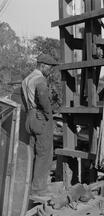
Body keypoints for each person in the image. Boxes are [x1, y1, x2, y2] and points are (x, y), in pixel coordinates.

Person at [22, 54, 60, 199]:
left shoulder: (26, 79)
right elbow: (43, 99)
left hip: (29, 118)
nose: (50, 71)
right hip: (40, 118)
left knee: (32, 153)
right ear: (42, 65)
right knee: (45, 154)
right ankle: (38, 189)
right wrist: (49, 113)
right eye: (49, 68)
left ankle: (28, 186)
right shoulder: (40, 79)